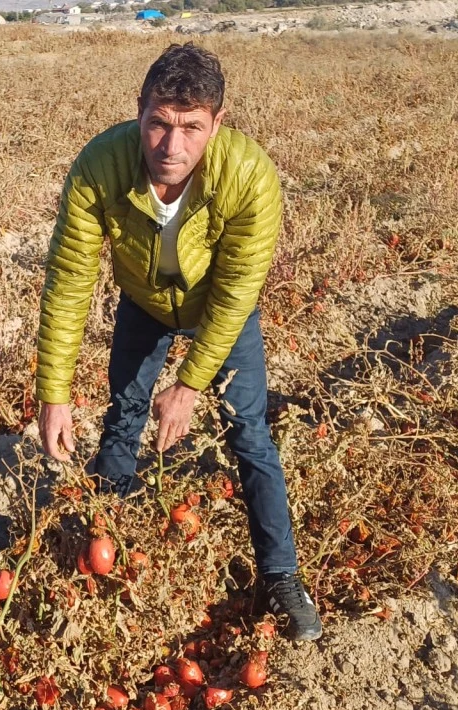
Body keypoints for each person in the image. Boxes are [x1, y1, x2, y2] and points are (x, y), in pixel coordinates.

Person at [35, 43, 322, 642]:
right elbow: (69, 282)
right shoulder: (101, 166)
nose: (172, 147)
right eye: (159, 124)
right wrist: (53, 392)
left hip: (220, 311)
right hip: (143, 302)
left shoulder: (248, 175)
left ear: (217, 123)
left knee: (248, 430)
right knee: (124, 416)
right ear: (138, 111)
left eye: (191, 128)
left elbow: (239, 289)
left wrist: (190, 383)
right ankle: (103, 551)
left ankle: (281, 576)